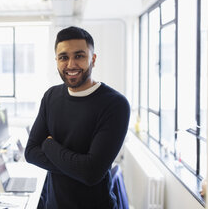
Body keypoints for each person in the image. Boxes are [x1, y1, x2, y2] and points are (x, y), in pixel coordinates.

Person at [24, 26, 130, 209]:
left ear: (93, 59)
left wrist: (48, 144)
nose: (71, 64)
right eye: (64, 57)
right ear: (56, 60)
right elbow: (31, 152)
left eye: (79, 56)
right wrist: (79, 168)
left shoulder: (115, 104)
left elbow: (91, 173)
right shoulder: (51, 96)